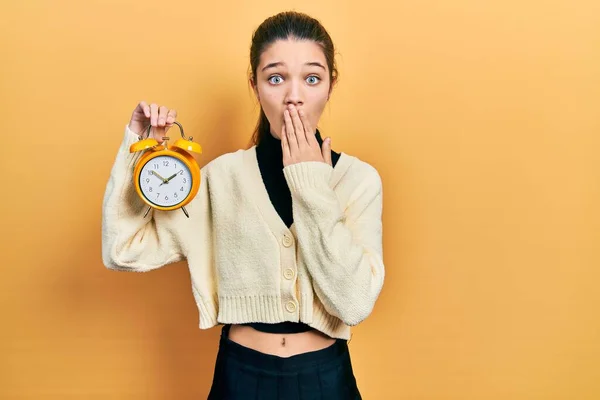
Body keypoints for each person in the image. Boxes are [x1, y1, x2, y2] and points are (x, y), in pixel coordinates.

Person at [102, 11, 384, 400]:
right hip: (241, 377)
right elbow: (123, 249)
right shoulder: (222, 178)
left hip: (326, 379)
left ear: (331, 85)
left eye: (312, 78)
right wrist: (140, 154)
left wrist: (311, 185)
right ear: (254, 86)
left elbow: (354, 303)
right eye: (275, 78)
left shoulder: (359, 180)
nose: (294, 96)